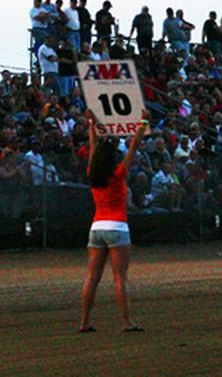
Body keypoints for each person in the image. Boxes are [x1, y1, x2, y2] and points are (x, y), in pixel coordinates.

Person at [79, 110, 148, 333]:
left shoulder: (92, 173)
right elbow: (133, 148)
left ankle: (84, 321)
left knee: (92, 278)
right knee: (120, 278)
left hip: (96, 226)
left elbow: (92, 148)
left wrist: (92, 124)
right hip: (117, 226)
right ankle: (127, 322)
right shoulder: (117, 174)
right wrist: (142, 122)